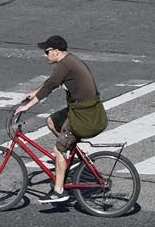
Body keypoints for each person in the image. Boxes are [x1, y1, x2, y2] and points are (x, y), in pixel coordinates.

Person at [15, 35, 106, 204]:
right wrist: (34, 92)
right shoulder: (68, 61)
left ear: (56, 51)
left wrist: (27, 106)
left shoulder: (65, 65)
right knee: (51, 121)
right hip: (82, 109)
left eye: (47, 51)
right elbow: (52, 82)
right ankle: (67, 155)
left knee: (58, 150)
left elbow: (50, 87)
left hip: (84, 115)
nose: (45, 54)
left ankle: (58, 191)